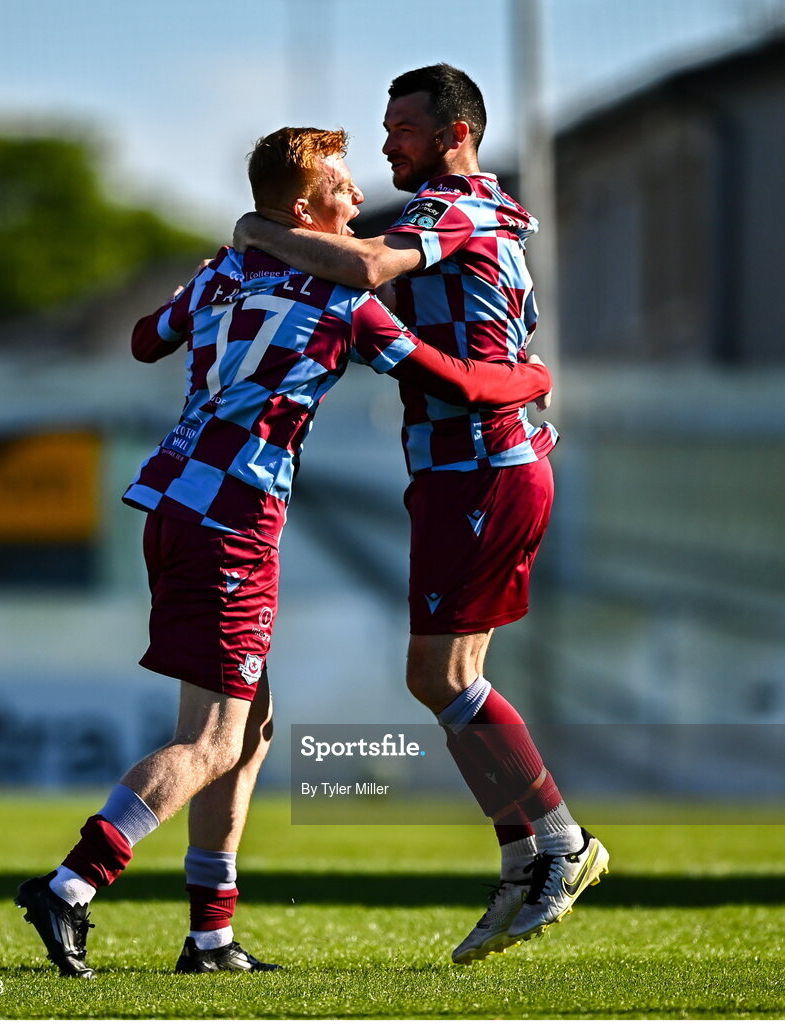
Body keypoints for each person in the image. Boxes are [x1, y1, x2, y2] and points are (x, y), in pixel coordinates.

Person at [14, 125, 553, 979]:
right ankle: (74, 883)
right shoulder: (342, 294)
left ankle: (210, 938)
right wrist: (530, 380)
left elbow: (145, 339)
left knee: (249, 727)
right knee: (215, 739)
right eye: (341, 186)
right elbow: (448, 382)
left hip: (173, 497)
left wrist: (221, 288)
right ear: (306, 207)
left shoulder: (226, 270)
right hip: (234, 515)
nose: (356, 197)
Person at [234, 65, 609, 963]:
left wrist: (257, 227)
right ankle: (523, 857)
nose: (387, 142)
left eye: (402, 126)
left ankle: (558, 842)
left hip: (484, 465)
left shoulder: (453, 204)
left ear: (454, 133)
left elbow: (365, 265)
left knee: (437, 676)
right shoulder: (472, 211)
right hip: (469, 467)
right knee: (447, 676)